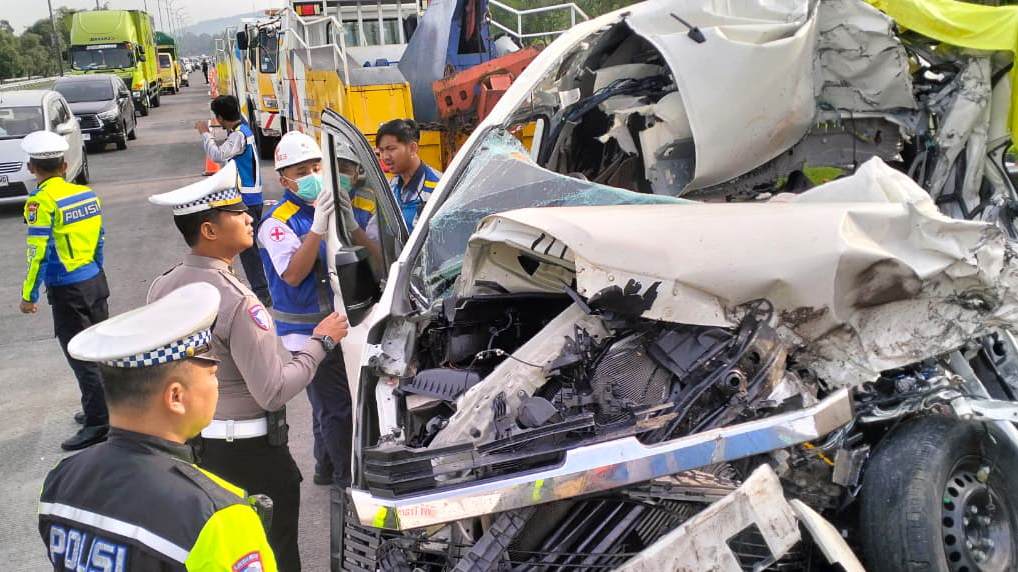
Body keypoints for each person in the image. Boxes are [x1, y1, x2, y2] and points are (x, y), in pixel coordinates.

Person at [148, 162, 349, 572]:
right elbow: (273, 391)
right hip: (254, 458)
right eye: (236, 213)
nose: (248, 218)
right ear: (209, 230)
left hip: (197, 448)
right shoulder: (237, 300)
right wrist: (321, 342)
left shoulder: (162, 286)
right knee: (274, 554)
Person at [39, 282, 278, 571]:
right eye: (213, 372)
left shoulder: (61, 480)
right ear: (176, 396)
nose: (216, 384)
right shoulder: (220, 516)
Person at [259, 131, 368, 570]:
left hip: (337, 324)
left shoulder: (338, 208)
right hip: (304, 332)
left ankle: (325, 465)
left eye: (315, 168)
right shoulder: (278, 222)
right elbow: (294, 274)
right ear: (285, 179)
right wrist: (319, 227)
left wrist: (336, 218)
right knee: (335, 407)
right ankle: (344, 479)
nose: (311, 177)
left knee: (329, 405)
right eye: (300, 172)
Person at [18, 130, 110, 451]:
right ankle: (98, 409)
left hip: (67, 289)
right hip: (95, 282)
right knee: (99, 350)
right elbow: (99, 240)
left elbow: (38, 253)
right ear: (65, 164)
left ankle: (99, 423)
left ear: (32, 168)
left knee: (80, 355)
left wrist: (29, 295)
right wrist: (96, 269)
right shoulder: (87, 195)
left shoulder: (40, 203)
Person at [196, 94, 271, 306]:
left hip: (246, 198)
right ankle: (261, 288)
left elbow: (218, 155)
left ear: (219, 118)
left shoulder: (238, 135)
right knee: (248, 247)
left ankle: (262, 291)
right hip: (250, 196)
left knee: (247, 248)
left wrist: (205, 134)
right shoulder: (241, 129)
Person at [376, 118, 441, 233]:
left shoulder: (439, 188)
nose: (385, 157)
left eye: (390, 149)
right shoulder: (391, 186)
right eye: (381, 151)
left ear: (412, 148)